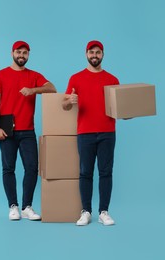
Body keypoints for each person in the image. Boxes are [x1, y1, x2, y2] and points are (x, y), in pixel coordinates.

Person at [0, 40, 56, 221]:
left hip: (27, 130)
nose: (21, 56)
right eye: (18, 52)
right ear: (12, 53)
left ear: (28, 55)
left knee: (31, 167)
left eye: (25, 53)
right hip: (7, 130)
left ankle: (27, 206)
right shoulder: (0, 75)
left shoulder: (34, 75)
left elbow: (52, 88)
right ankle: (13, 206)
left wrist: (33, 90)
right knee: (8, 169)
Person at [62, 40, 119, 226]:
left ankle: (104, 212)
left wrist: (127, 113)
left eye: (98, 52)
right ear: (86, 53)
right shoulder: (76, 78)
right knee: (85, 172)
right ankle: (86, 211)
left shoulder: (112, 79)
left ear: (102, 55)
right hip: (85, 132)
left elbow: (120, 107)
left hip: (107, 132)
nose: (95, 55)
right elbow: (64, 105)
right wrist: (70, 100)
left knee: (105, 172)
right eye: (92, 52)